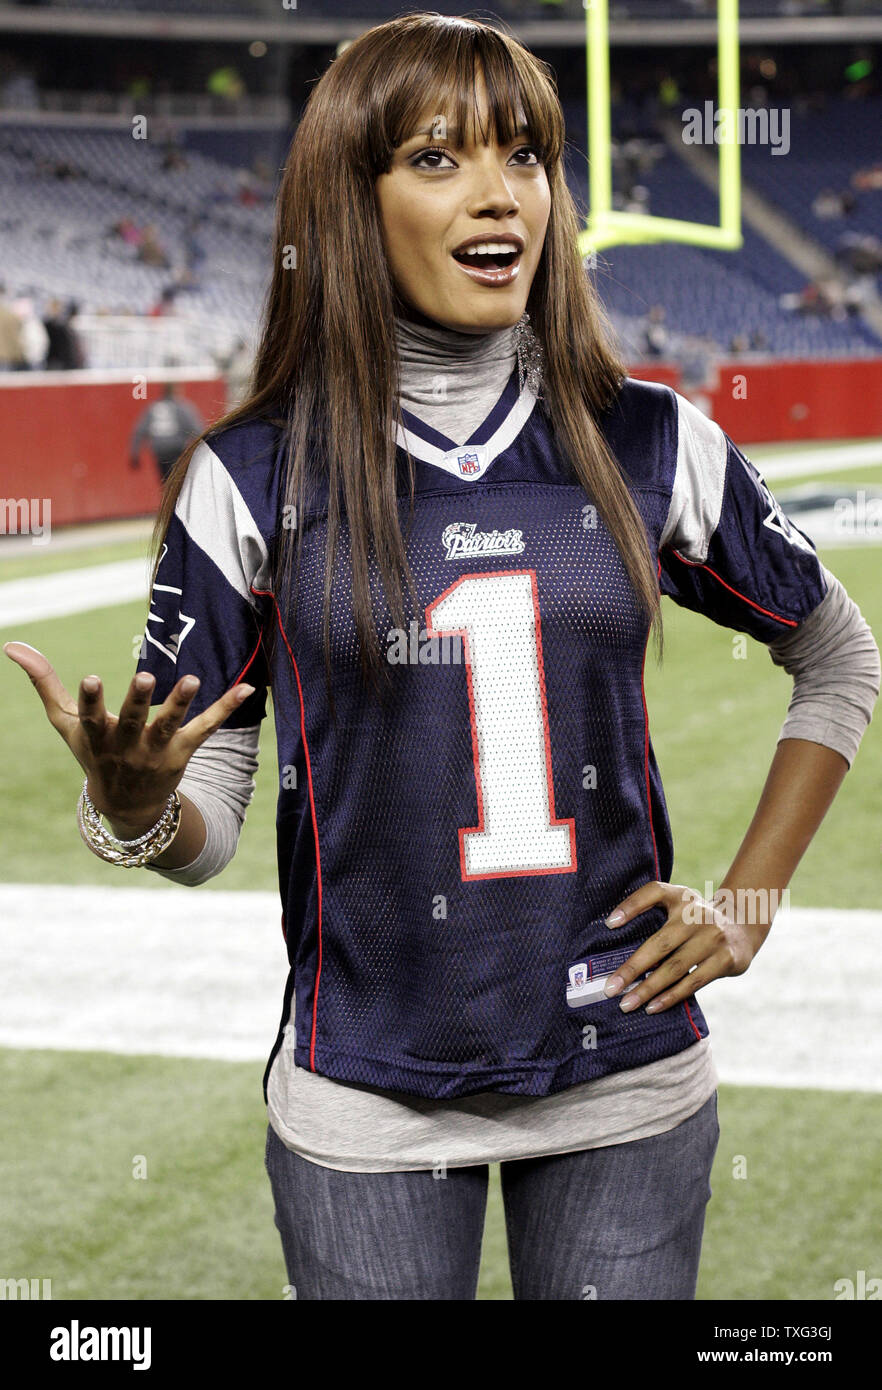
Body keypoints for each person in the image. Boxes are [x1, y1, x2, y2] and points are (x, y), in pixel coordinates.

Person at [5, 14, 880, 1302]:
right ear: (350, 204)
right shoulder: (251, 476)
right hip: (364, 1091)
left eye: (526, 155)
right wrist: (133, 811)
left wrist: (746, 903)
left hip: (620, 1077)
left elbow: (839, 655)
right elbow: (209, 823)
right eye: (437, 157)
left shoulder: (647, 440)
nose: (500, 193)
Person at [129, 382, 206, 485]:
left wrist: (135, 452)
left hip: (160, 452)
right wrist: (204, 449)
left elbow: (140, 430)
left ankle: (168, 497)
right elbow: (196, 429)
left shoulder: (153, 407)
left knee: (166, 482)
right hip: (176, 450)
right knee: (178, 483)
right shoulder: (182, 407)